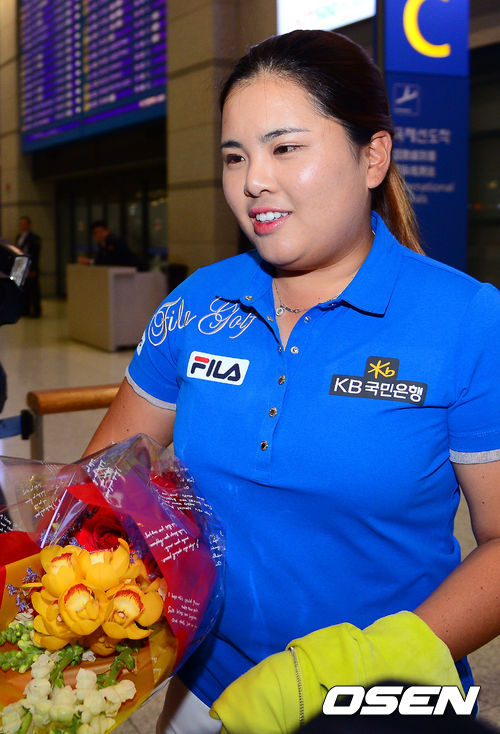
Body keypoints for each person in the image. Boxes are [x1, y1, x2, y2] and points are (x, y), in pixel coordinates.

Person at [83, 30, 500, 733]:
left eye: (285, 148)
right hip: (208, 687)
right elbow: (101, 485)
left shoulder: (467, 319)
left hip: (383, 700)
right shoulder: (195, 304)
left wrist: (354, 668)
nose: (253, 181)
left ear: (373, 156)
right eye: (235, 156)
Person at [15, 215, 41, 317]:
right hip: (21, 267)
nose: (22, 226)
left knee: (33, 290)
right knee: (24, 289)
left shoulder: (34, 238)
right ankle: (25, 310)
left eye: (24, 224)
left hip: (30, 267)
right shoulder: (19, 237)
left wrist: (33, 268)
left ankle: (36, 311)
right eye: (21, 224)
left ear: (29, 225)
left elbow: (35, 255)